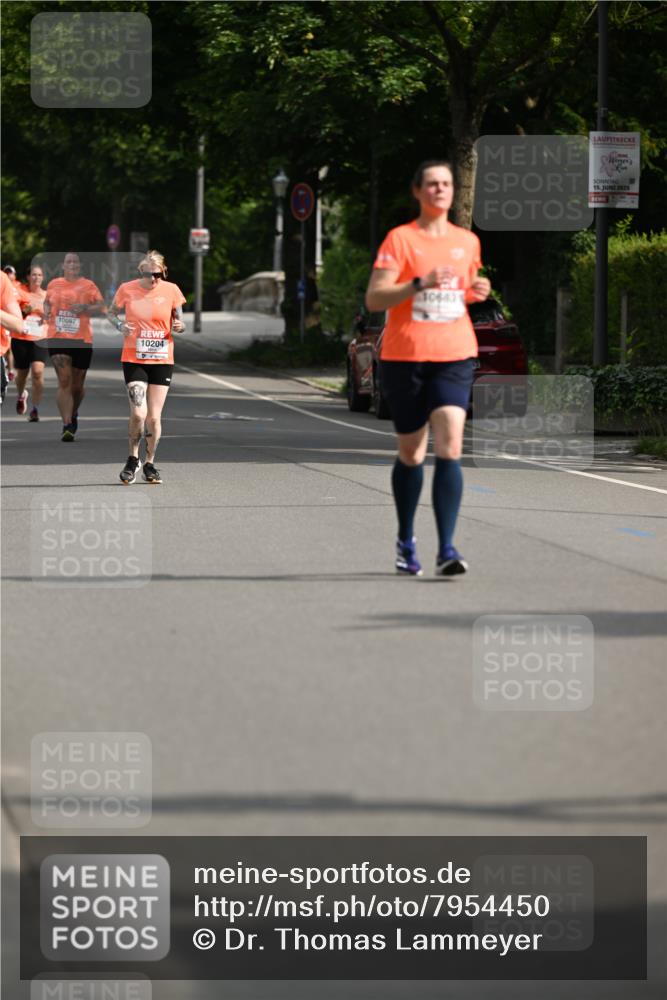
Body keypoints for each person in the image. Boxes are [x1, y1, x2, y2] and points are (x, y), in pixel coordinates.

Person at [365, 160, 491, 577]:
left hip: (455, 353)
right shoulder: (400, 240)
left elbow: (459, 294)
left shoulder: (467, 242)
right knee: (412, 452)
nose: (441, 190)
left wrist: (477, 292)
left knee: (451, 443)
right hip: (406, 357)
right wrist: (419, 283)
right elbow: (376, 299)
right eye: (433, 184)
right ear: (418, 191)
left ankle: (448, 549)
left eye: (447, 184)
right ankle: (405, 539)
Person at [108, 250, 185, 484]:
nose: (153, 279)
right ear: (141, 271)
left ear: (163, 273)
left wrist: (180, 326)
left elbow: (179, 321)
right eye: (149, 273)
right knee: (138, 413)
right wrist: (120, 325)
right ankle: (133, 459)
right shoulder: (127, 289)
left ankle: (150, 463)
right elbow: (111, 314)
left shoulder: (172, 290)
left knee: (153, 417)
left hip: (162, 359)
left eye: (158, 274)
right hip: (134, 357)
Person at [43, 252, 105, 441]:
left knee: (77, 387)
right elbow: (46, 303)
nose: (72, 264)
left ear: (79, 266)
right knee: (64, 380)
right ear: (63, 265)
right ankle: (67, 423)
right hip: (57, 337)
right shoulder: (54, 284)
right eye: (68, 261)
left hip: (82, 339)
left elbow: (102, 307)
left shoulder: (88, 285)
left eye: (75, 262)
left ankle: (73, 412)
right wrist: (46, 314)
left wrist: (85, 308)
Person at [11, 264, 48, 421]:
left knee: (38, 372)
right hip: (21, 338)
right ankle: (21, 394)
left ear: (43, 278)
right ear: (27, 277)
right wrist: (26, 309)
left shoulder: (47, 295)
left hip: (40, 338)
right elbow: (12, 311)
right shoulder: (20, 292)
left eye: (39, 275)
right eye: (33, 275)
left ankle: (35, 409)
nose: (36, 278)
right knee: (22, 375)